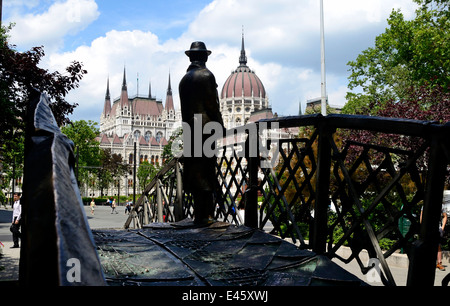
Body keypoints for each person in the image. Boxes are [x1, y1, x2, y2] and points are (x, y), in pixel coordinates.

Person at [179, 41, 224, 225]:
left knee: (196, 172)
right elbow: (213, 105)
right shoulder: (206, 75)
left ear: (190, 57)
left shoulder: (183, 80)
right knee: (206, 171)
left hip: (190, 130)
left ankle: (200, 215)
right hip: (206, 129)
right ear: (204, 56)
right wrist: (219, 125)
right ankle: (206, 216)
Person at [420, 197, 448, 271]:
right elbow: (421, 216)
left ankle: (439, 263)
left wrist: (442, 227)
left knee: (438, 245)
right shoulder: (425, 205)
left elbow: (445, 216)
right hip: (427, 228)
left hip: (437, 228)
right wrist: (422, 227)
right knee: (426, 244)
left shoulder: (441, 206)